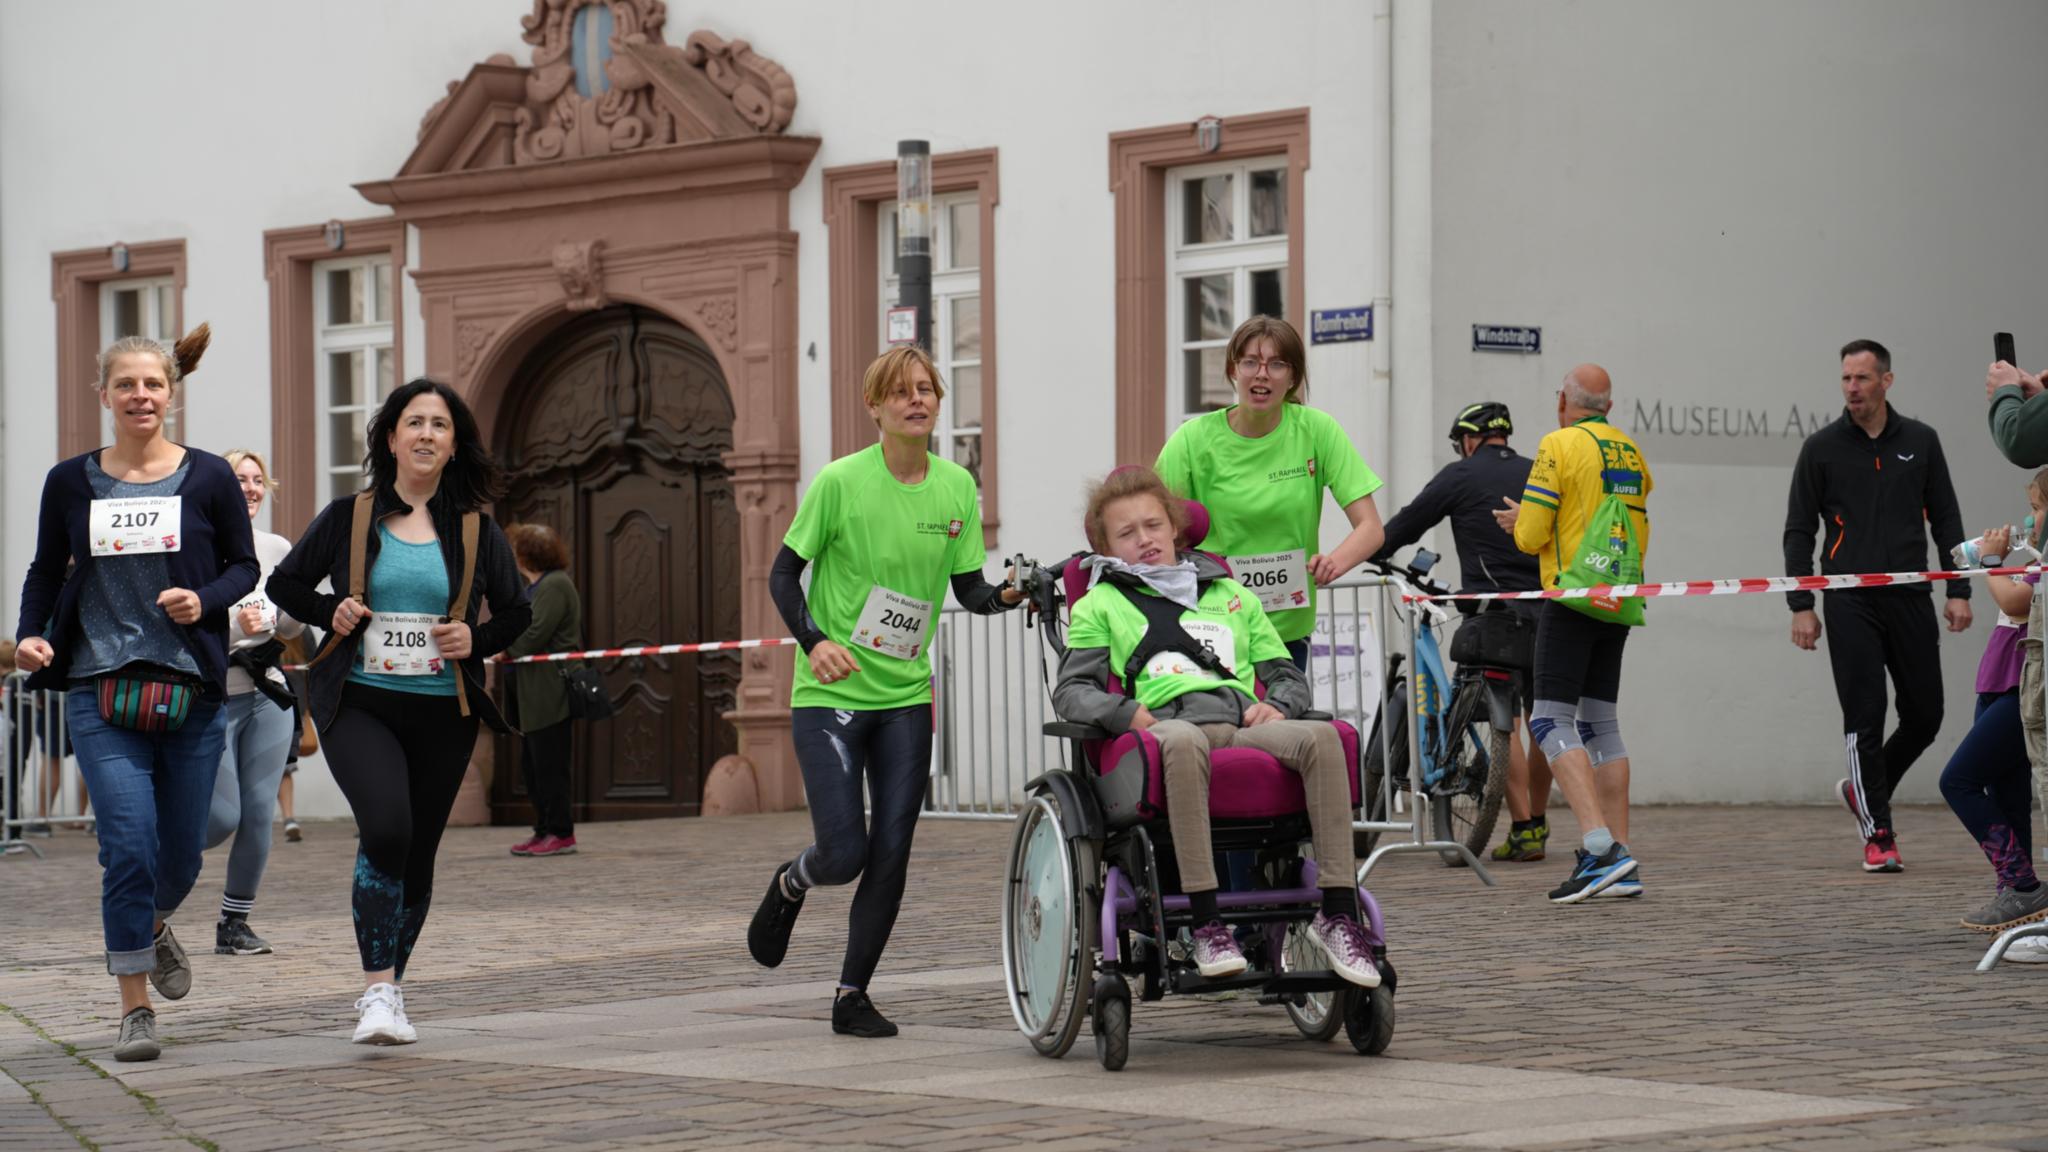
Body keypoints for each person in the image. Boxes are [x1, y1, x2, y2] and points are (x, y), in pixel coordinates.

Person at [747, 346, 1022, 1039]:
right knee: (845, 854)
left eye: (926, 389)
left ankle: (852, 995)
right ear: (874, 406)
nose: (916, 400)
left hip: (905, 697)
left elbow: (969, 589)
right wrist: (816, 641)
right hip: (832, 695)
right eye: (900, 391)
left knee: (892, 850)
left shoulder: (956, 486)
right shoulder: (841, 482)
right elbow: (782, 575)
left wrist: (1008, 596)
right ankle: (792, 881)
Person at [14, 325, 258, 1061]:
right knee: (127, 844)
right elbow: (45, 570)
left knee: (180, 857)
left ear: (171, 394)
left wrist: (204, 599)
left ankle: (149, 925)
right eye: (126, 384)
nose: (140, 395)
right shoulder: (70, 480)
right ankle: (135, 1008)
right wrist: (30, 635)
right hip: (99, 687)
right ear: (105, 395)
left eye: (152, 384)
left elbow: (244, 567)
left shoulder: (209, 476)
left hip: (191, 687)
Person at [268, 378, 530, 1046]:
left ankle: (391, 993)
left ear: (454, 446)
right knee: (387, 829)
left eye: (439, 425)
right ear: (390, 438)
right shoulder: (348, 517)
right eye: (414, 422)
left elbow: (517, 612)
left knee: (417, 855)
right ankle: (377, 989)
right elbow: (284, 583)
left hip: (445, 711)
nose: (426, 434)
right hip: (360, 703)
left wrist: (476, 638)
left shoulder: (476, 529)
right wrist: (330, 610)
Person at [1051, 466, 1381, 987]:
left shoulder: (1231, 594)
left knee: (1323, 737)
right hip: (1162, 728)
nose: (1145, 540)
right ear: (1107, 546)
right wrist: (1125, 713)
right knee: (1183, 741)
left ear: (1175, 528)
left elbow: (1285, 674)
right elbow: (1072, 691)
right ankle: (1207, 923)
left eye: (1153, 525)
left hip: (1240, 724)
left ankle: (1338, 913)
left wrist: (1282, 705)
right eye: (1127, 533)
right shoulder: (1100, 604)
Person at [1785, 339, 1969, 873]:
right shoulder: (1821, 448)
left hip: (1911, 595)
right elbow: (1799, 531)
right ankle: (1878, 834)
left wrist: (1958, 589)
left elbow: (1947, 519)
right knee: (1864, 715)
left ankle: (1865, 787)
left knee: (1926, 715)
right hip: (1848, 600)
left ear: (1886, 381)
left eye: (1862, 378)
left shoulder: (1921, 441)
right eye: (1846, 378)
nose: (1852, 388)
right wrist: (1801, 603)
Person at [1493, 365, 1652, 903]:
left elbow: (1534, 533)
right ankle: (1621, 859)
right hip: (1619, 596)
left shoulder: (1557, 444)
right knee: (1602, 724)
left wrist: (1521, 524)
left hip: (1572, 595)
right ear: (1609, 405)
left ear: (1563, 400)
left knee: (1547, 719)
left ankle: (1599, 847)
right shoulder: (1629, 450)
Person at [1154, 315, 1385, 669]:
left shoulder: (1317, 431)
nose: (1262, 374)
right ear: (1233, 370)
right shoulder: (1192, 439)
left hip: (1286, 632)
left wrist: (1333, 563)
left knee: (1282, 708)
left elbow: (1370, 527)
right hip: (1214, 625)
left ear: (1293, 377)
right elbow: (1153, 523)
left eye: (1277, 364)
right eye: (1250, 362)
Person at [1376, 401, 1553, 862]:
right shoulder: (1537, 472)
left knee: (1504, 719)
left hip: (1493, 614)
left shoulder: (1461, 475)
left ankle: (1523, 826)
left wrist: (1373, 552)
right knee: (1545, 719)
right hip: (1550, 610)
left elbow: (1408, 523)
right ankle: (1538, 821)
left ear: (1470, 439)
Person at [204, 450, 304, 956]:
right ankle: (149, 866)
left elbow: (292, 626)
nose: (249, 487)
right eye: (238, 478)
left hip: (267, 691)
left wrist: (287, 615)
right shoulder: (198, 547)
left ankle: (234, 924)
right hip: (214, 695)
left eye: (257, 479)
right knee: (221, 817)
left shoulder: (276, 547)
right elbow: (182, 628)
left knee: (260, 811)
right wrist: (231, 626)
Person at [1939, 473, 2048, 936]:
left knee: (1957, 780)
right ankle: (2018, 900)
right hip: (1998, 683)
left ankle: (2022, 884)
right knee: (2007, 795)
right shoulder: (2036, 559)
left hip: (2020, 690)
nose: (2029, 518)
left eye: (2037, 508)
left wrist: (1990, 560)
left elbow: (2015, 601)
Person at [503, 522, 582, 858]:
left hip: (548, 690)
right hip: (530, 689)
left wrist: (503, 646)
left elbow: (533, 634)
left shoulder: (555, 585)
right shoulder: (535, 587)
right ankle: (543, 829)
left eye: (515, 549)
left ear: (528, 554)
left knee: (550, 765)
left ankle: (561, 832)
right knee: (533, 766)